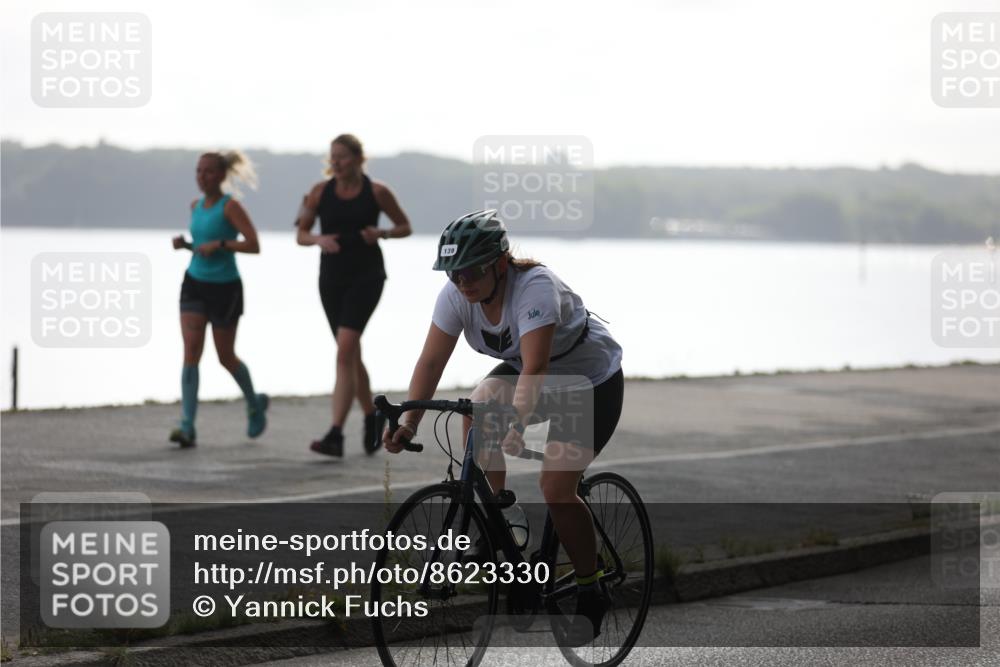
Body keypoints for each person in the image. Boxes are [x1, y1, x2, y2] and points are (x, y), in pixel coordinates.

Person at [383, 209, 625, 645]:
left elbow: (535, 366)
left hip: (588, 383)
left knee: (556, 490)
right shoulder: (456, 295)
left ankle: (591, 585)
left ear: (499, 262)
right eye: (454, 274)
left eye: (471, 271)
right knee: (476, 406)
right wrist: (409, 422)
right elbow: (431, 361)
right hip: (532, 373)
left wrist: (520, 420)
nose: (462, 282)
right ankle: (501, 511)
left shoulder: (534, 288)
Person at [297, 134, 412, 457]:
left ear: (359, 158)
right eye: (332, 157)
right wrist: (319, 240)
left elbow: (405, 226)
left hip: (367, 277)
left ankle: (335, 434)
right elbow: (301, 234)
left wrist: (382, 233)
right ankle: (372, 415)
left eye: (343, 157)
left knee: (345, 350)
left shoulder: (377, 191)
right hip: (331, 279)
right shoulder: (320, 191)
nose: (336, 162)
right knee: (350, 353)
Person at [170, 150, 268, 448]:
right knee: (191, 351)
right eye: (198, 171)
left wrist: (222, 244)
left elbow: (254, 245)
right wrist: (186, 245)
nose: (202, 177)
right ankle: (187, 426)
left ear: (222, 175)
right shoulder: (195, 206)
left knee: (225, 356)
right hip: (194, 284)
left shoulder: (231, 207)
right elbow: (202, 247)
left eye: (209, 171)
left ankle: (254, 404)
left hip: (225, 288)